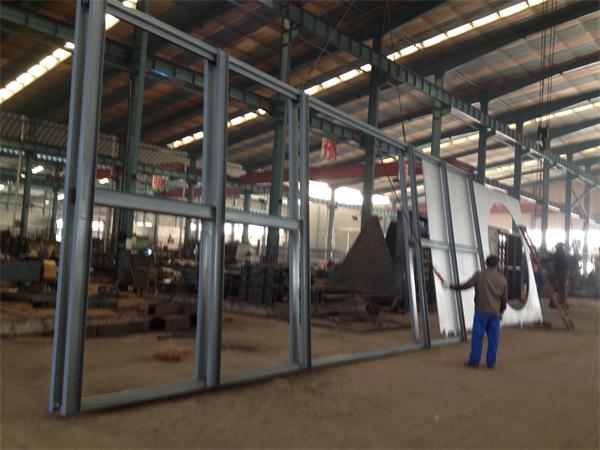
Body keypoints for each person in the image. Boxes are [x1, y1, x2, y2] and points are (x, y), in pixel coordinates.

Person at [445, 255, 507, 369]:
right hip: (495, 312)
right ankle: (491, 363)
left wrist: (450, 286)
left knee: (477, 337)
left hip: (481, 311)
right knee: (494, 339)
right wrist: (501, 311)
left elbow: (466, 285)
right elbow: (504, 299)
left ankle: (474, 361)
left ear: (486, 264)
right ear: (497, 264)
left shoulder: (479, 275)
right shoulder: (502, 279)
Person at [553, 243, 570, 309]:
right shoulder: (561, 252)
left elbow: (553, 257)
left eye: (556, 247)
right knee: (561, 287)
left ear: (559, 247)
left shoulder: (559, 252)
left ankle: (563, 303)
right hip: (563, 271)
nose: (556, 248)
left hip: (562, 272)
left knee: (562, 287)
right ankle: (562, 302)